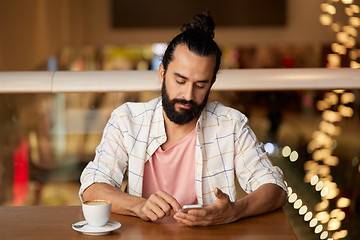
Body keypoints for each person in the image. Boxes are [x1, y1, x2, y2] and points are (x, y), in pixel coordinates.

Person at [79, 10, 287, 226]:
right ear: (162, 73)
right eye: (180, 81)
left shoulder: (231, 124)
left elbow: (275, 188)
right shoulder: (127, 121)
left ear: (212, 83)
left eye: (200, 85)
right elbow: (92, 187)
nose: (188, 95)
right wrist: (139, 205)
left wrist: (234, 211)